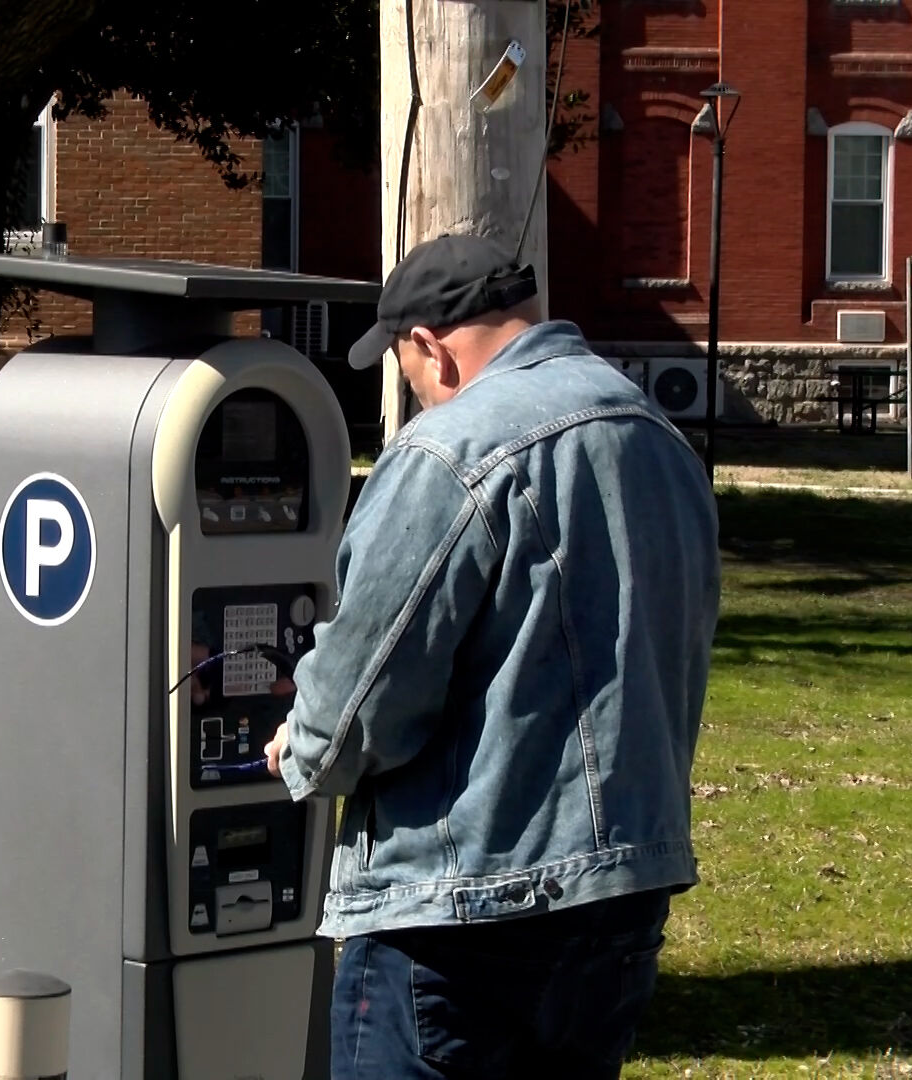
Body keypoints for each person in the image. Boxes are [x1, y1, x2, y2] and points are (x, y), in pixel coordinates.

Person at [262, 233, 721, 1078]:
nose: (415, 395)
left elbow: (362, 698)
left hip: (457, 912)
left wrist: (305, 744)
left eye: (403, 370)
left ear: (431, 348)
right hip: (622, 895)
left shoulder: (449, 449)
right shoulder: (657, 434)